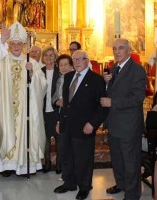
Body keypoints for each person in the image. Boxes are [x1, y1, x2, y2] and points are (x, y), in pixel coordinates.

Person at [0, 22, 47, 176]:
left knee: (26, 134)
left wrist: (32, 73)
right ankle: (7, 165)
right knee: (7, 132)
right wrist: (1, 40)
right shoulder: (3, 60)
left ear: (24, 44)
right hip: (7, 109)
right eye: (12, 43)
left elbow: (42, 84)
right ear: (9, 44)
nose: (16, 46)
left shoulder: (31, 62)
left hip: (26, 110)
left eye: (19, 43)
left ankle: (27, 164)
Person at [53, 50, 108, 200]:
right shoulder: (68, 76)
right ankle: (69, 183)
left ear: (87, 60)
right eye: (74, 59)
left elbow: (102, 106)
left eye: (80, 59)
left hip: (85, 126)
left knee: (83, 159)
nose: (77, 62)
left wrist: (93, 123)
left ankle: (84, 186)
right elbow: (65, 104)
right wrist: (59, 121)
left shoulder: (96, 79)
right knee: (66, 156)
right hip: (67, 125)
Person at [100, 38, 147, 199]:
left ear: (129, 50)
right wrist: (106, 84)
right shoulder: (114, 68)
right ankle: (121, 184)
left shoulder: (137, 70)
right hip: (114, 122)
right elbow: (112, 92)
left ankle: (133, 194)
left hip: (129, 124)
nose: (117, 51)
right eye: (114, 48)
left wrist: (112, 102)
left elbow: (138, 97)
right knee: (117, 160)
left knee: (130, 162)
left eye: (120, 48)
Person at [52, 54, 74, 174]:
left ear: (71, 66)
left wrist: (66, 102)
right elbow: (54, 97)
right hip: (61, 115)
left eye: (66, 65)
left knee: (72, 146)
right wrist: (57, 101)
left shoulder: (75, 79)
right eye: (61, 65)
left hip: (73, 117)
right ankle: (65, 172)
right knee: (63, 145)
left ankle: (72, 172)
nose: (63, 67)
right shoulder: (60, 80)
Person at [40, 46, 59, 173]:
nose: (48, 58)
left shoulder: (60, 71)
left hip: (56, 109)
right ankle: (46, 163)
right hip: (42, 109)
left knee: (59, 137)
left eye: (51, 55)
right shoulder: (39, 71)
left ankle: (59, 163)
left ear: (55, 57)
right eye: (46, 55)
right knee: (45, 138)